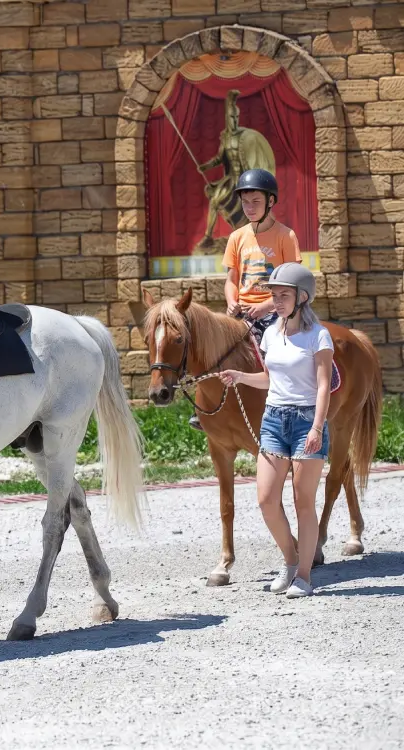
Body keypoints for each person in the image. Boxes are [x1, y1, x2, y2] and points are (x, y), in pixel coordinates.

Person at [218, 263, 332, 598]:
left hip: (306, 421)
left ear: (302, 297)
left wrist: (316, 427)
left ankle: (305, 577)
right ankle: (290, 561)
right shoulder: (271, 333)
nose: (276, 301)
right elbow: (270, 379)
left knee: (302, 501)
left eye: (283, 295)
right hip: (274, 419)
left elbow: (324, 386)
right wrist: (240, 377)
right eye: (274, 295)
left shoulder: (318, 336)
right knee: (267, 499)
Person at [190, 168, 302, 431]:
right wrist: (231, 301)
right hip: (241, 313)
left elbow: (292, 281)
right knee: (208, 350)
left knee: (280, 351)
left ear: (270, 202)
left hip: (276, 310)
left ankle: (290, 402)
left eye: (256, 202)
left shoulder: (286, 236)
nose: (249, 208)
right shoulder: (236, 237)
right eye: (245, 202)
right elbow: (231, 279)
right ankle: (203, 408)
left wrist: (266, 306)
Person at [195, 90, 276, 251]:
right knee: (214, 201)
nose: (235, 121)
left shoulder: (244, 136)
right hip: (230, 179)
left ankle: (260, 234)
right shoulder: (225, 137)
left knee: (253, 207)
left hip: (245, 180)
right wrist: (206, 167)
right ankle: (208, 237)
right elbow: (219, 158)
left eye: (237, 118)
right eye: (232, 118)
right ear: (227, 118)